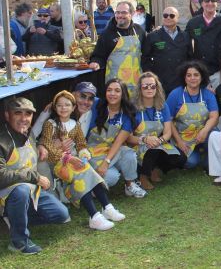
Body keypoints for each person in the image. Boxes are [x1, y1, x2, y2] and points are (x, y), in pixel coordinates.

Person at [40, 91, 125, 231]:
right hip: (56, 163)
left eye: (67, 105)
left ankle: (107, 207)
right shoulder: (50, 124)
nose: (63, 108)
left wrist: (84, 154)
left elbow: (81, 143)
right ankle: (94, 216)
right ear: (55, 108)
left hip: (72, 160)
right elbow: (48, 146)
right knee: (79, 175)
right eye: (59, 105)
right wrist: (69, 158)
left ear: (73, 107)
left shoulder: (75, 124)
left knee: (88, 170)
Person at [0, 97, 69, 254]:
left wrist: (41, 146)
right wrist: (34, 177)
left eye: (28, 114)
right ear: (6, 115)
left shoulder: (28, 133)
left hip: (29, 192)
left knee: (61, 214)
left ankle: (15, 218)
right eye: (18, 113)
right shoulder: (2, 140)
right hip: (6, 194)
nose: (24, 119)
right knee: (21, 190)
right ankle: (19, 242)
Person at [87, 79, 147, 198]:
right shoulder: (96, 105)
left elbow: (119, 141)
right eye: (109, 90)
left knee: (129, 154)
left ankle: (130, 185)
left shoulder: (128, 115)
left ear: (123, 94)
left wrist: (106, 162)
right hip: (92, 152)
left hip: (112, 150)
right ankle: (89, 186)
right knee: (112, 177)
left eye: (117, 90)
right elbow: (77, 98)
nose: (112, 94)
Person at [128, 73, 186, 190]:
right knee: (152, 150)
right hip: (138, 145)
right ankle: (142, 176)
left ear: (157, 88)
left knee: (181, 158)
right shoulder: (132, 109)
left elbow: (168, 133)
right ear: (140, 88)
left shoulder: (162, 106)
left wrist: (159, 140)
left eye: (152, 86)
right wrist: (145, 139)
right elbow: (128, 138)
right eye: (145, 86)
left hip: (158, 143)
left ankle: (156, 169)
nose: (149, 89)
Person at [166, 61, 219, 170]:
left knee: (217, 135)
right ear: (184, 78)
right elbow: (168, 120)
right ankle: (196, 154)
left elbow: (214, 116)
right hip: (182, 136)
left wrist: (205, 131)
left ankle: (207, 159)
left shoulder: (208, 94)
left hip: (202, 134)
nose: (192, 78)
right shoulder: (175, 94)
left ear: (201, 77)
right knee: (192, 162)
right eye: (189, 75)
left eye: (196, 75)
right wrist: (179, 141)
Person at [89, 1, 146, 98]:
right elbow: (98, 55)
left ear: (132, 14)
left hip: (136, 82)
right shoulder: (107, 34)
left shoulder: (139, 30)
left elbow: (146, 53)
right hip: (115, 85)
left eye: (123, 12)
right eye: (117, 12)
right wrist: (96, 62)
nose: (120, 15)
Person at [141, 6, 193, 94]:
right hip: (160, 82)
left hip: (181, 82)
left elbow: (190, 58)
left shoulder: (186, 36)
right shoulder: (152, 36)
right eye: (165, 15)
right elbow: (145, 59)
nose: (168, 17)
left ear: (177, 18)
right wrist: (151, 78)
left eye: (172, 16)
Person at [185, 0, 221, 75]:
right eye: (206, 1)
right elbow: (184, 41)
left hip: (220, 71)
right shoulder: (193, 23)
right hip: (199, 70)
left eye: (213, 0)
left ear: (217, 3)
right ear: (201, 3)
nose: (210, 3)